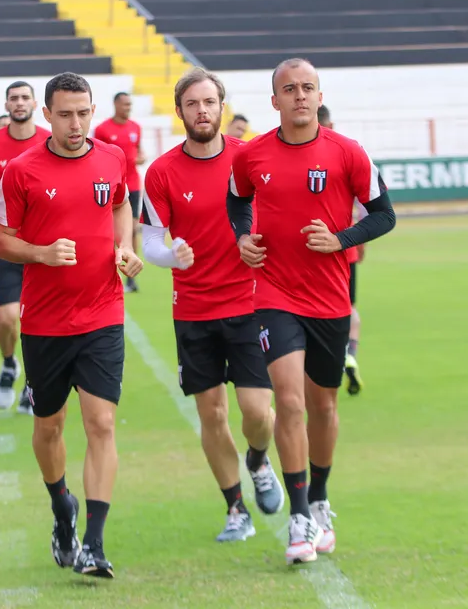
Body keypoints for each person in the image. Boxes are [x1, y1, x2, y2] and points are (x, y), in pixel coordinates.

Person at [226, 58, 396, 565]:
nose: (299, 96)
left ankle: (319, 497)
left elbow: (385, 215)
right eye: (289, 89)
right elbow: (238, 201)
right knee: (291, 401)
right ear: (274, 100)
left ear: (319, 96)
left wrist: (340, 240)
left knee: (323, 406)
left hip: (329, 299)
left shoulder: (349, 153)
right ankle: (299, 516)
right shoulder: (252, 156)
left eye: (308, 87)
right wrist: (243, 239)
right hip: (274, 294)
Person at [0, 71, 142, 578]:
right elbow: (1, 240)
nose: (76, 123)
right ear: (46, 115)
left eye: (84, 112)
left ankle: (94, 545)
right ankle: (62, 507)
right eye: (65, 114)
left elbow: (121, 202)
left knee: (101, 423)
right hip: (46, 322)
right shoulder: (20, 170)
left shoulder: (112, 158)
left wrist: (124, 247)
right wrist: (41, 252)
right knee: (49, 427)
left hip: (102, 313)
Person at [140, 69, 284, 543]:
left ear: (222, 106)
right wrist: (172, 254)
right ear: (179, 111)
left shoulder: (253, 158)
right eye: (192, 104)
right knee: (213, 415)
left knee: (258, 413)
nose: (202, 111)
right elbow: (151, 244)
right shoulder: (160, 172)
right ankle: (234, 508)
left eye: (209, 102)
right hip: (195, 309)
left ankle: (259, 461)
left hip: (251, 303)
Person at [0, 81, 51, 414]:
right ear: (6, 104)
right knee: (6, 318)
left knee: (39, 321)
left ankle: (33, 383)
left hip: (44, 245)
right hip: (5, 244)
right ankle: (9, 363)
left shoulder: (51, 139)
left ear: (34, 103)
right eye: (13, 98)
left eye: (24, 98)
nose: (19, 103)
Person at [318, 104, 364, 396]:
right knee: (349, 308)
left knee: (318, 310)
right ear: (330, 124)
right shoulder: (346, 153)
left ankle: (328, 359)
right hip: (346, 251)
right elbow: (365, 210)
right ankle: (349, 354)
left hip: (311, 250)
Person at [93, 92, 146, 293]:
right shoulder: (103, 129)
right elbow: (96, 154)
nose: (128, 108)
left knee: (131, 229)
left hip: (132, 184)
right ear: (116, 104)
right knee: (110, 230)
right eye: (124, 104)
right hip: (109, 185)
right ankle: (107, 271)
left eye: (130, 104)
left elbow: (139, 151)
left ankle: (131, 275)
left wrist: (140, 158)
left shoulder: (136, 127)